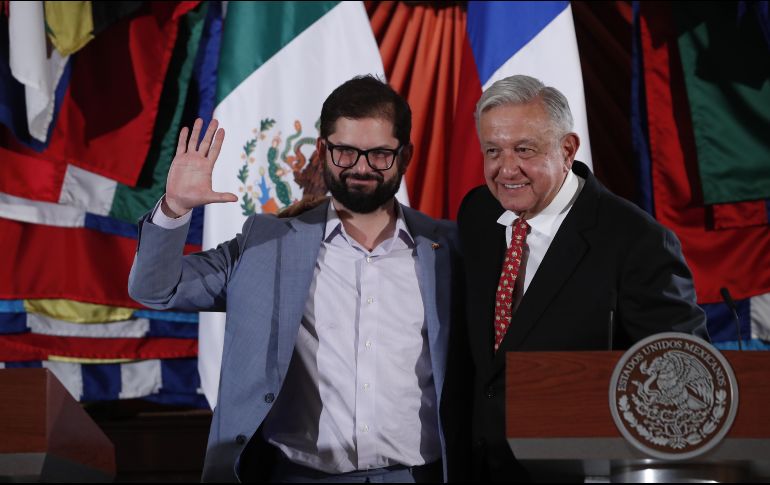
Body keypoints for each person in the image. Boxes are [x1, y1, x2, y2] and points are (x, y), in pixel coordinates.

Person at [128, 76, 469, 482]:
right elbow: (155, 290)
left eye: (379, 154)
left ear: (405, 155)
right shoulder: (267, 242)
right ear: (323, 150)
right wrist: (174, 209)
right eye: (345, 152)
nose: (361, 167)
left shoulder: (448, 248)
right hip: (296, 474)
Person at [456, 75, 709, 482]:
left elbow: (683, 373)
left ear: (568, 149)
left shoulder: (636, 240)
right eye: (493, 151)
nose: (506, 169)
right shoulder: (478, 215)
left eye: (524, 150)